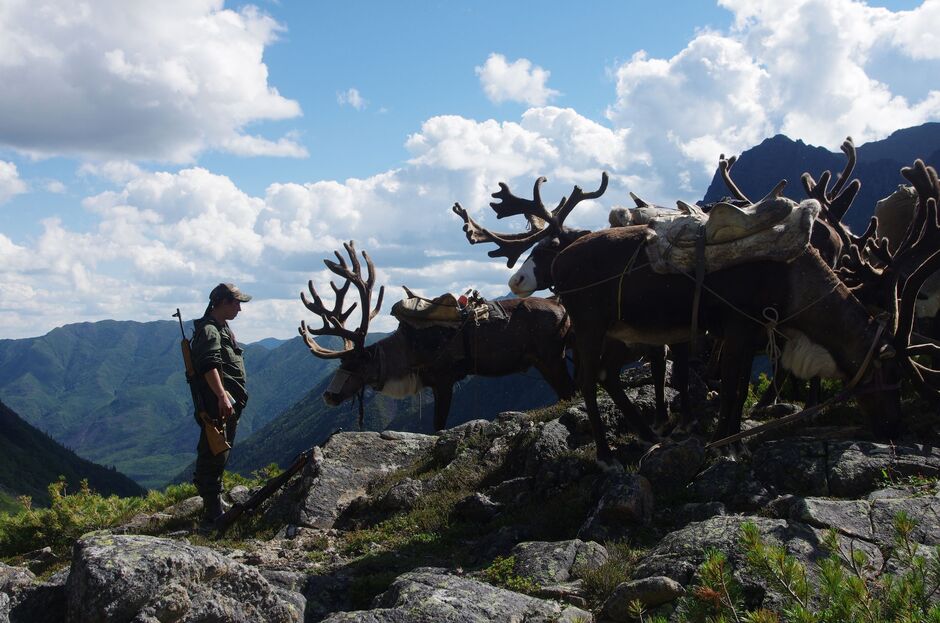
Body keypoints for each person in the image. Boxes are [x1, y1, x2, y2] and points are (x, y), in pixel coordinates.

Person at [190, 282, 251, 524]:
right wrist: (222, 396)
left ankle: (215, 503)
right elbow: (209, 365)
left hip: (227, 403)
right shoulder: (210, 331)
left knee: (221, 450)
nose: (239, 308)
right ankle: (213, 512)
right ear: (223, 302)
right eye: (236, 302)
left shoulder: (221, 328)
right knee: (214, 452)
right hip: (218, 404)